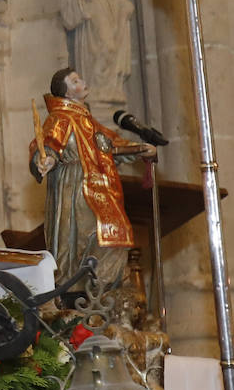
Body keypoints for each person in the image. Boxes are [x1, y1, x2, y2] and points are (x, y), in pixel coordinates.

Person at [30, 68, 156, 291]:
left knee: (107, 238)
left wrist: (139, 149)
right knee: (83, 237)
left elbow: (111, 144)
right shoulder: (60, 118)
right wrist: (46, 159)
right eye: (76, 81)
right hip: (75, 186)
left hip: (101, 187)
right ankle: (76, 290)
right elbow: (47, 145)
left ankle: (103, 290)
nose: (83, 82)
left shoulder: (88, 121)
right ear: (66, 93)